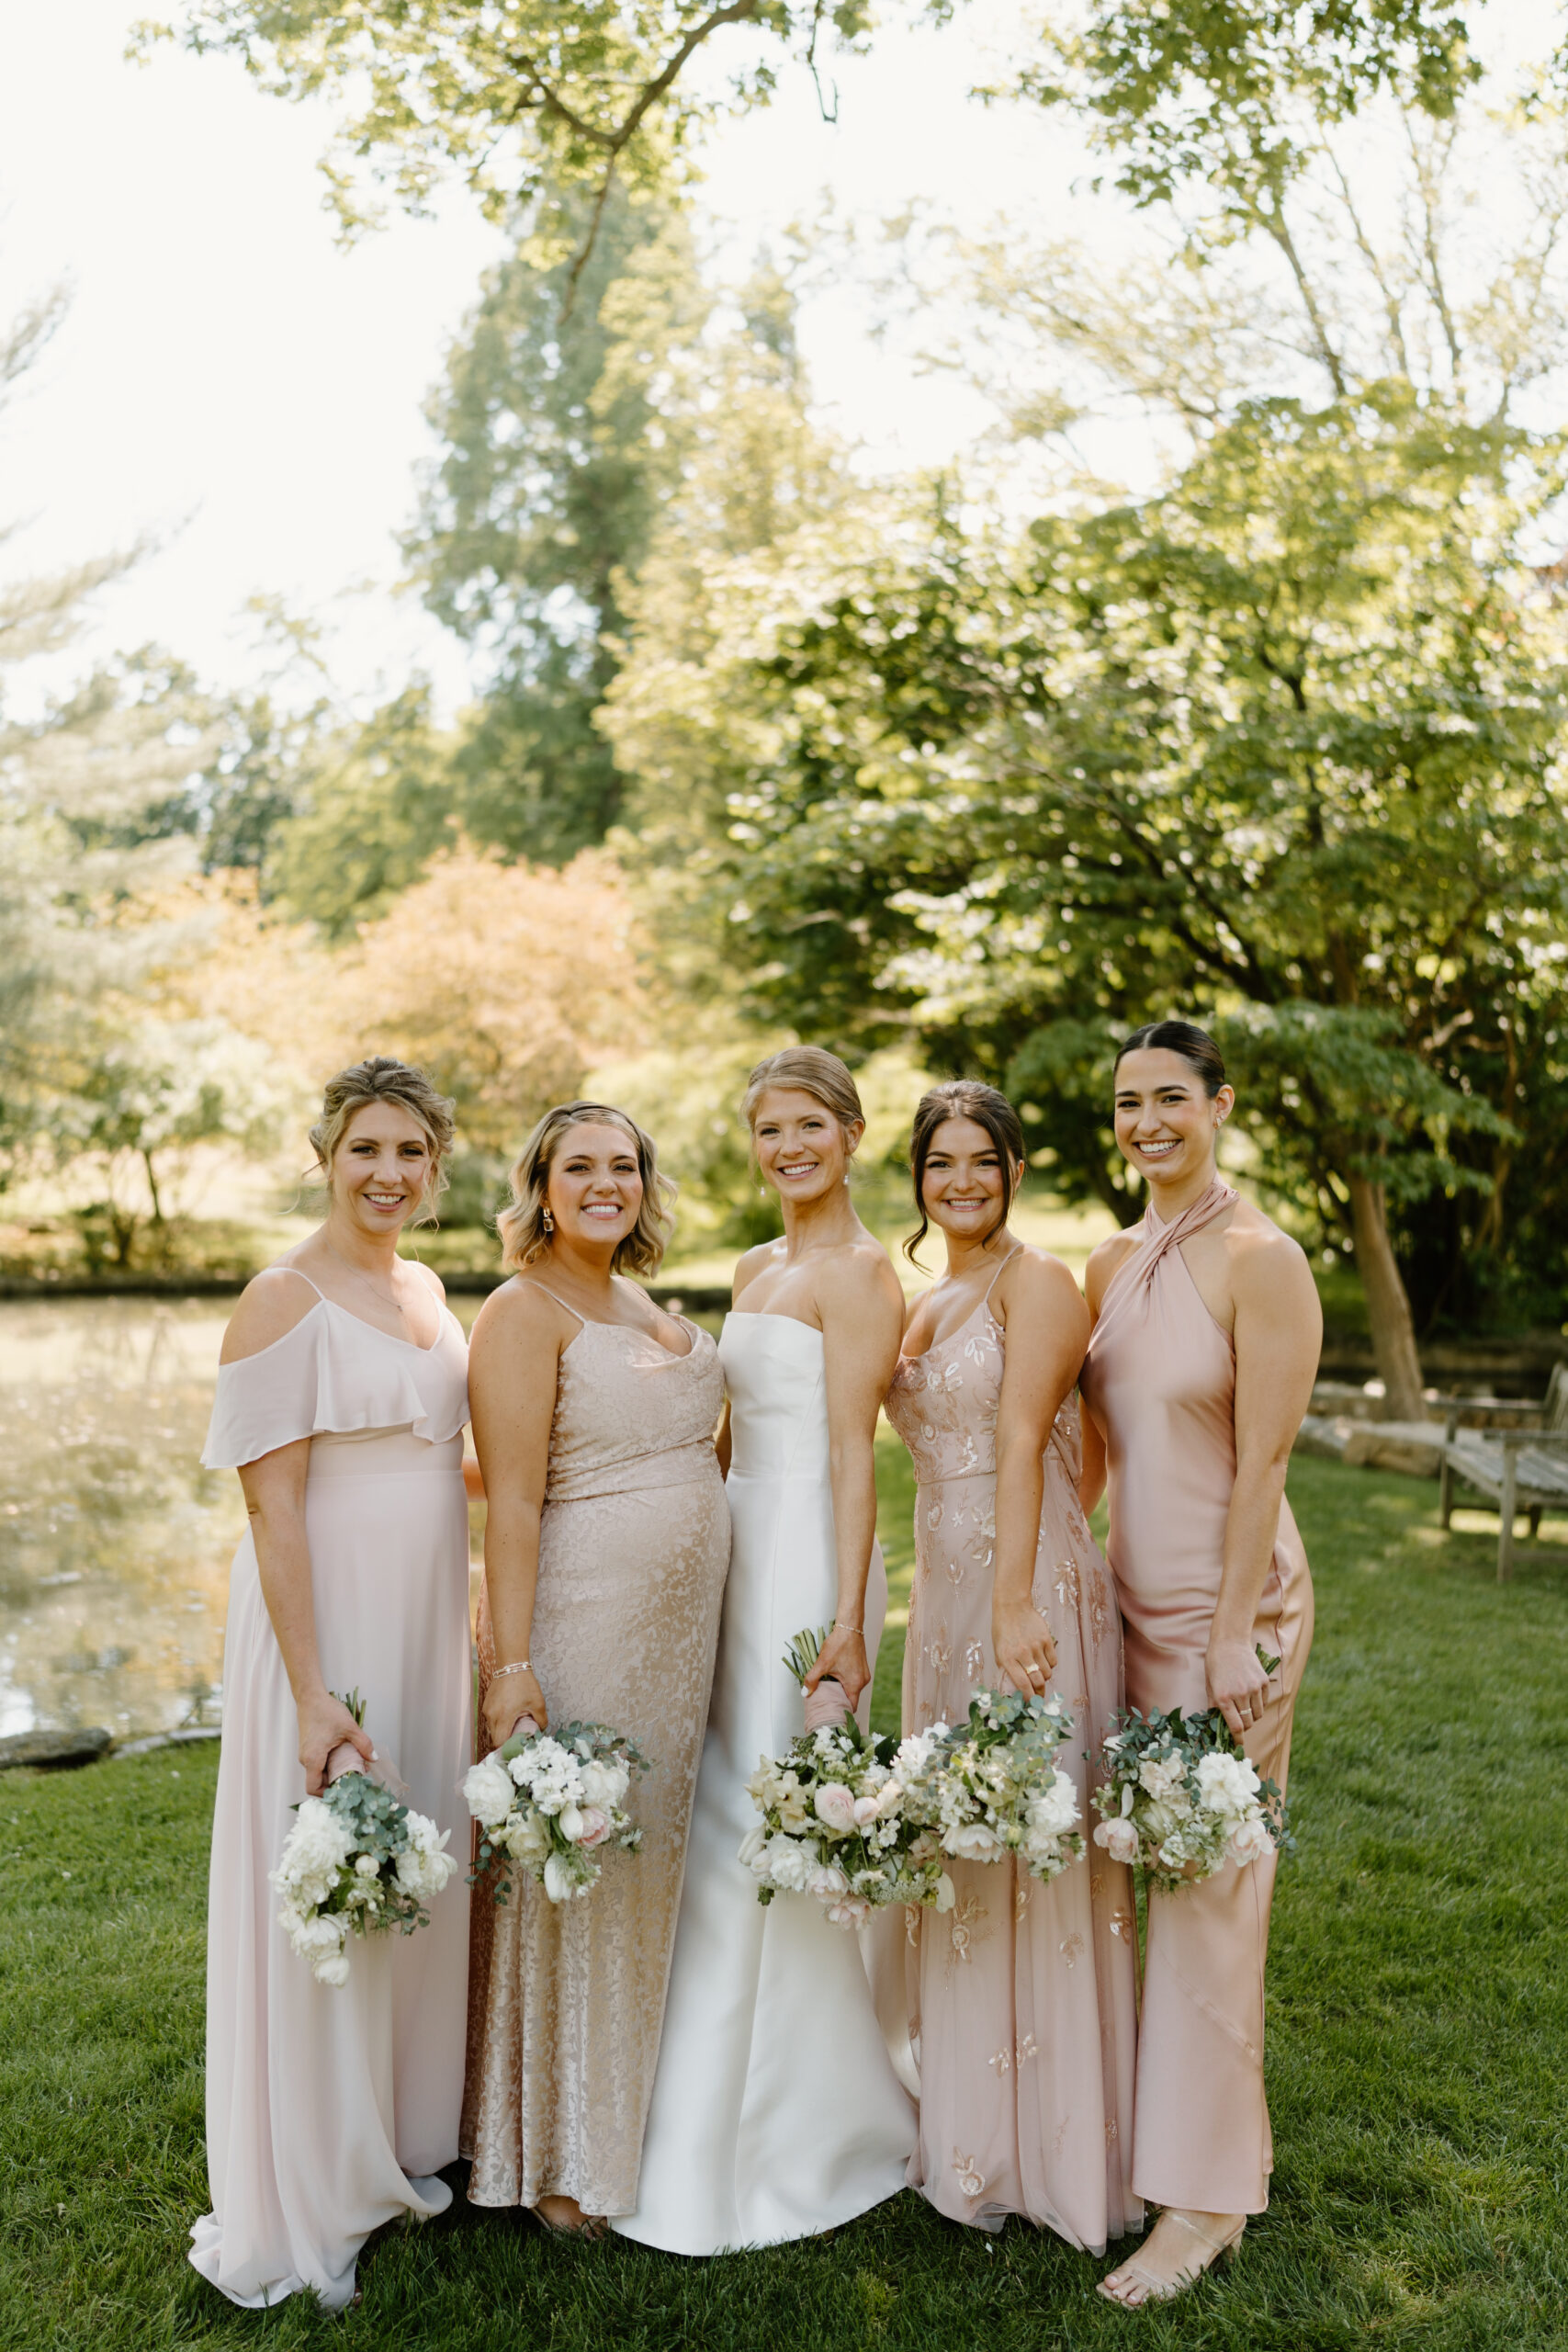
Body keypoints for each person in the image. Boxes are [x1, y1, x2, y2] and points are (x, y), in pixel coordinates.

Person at [615, 1047, 915, 2255]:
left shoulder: (858, 1273)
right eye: (766, 1129)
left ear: (849, 1134)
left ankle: (790, 2125)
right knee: (712, 1807)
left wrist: (845, 1617)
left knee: (769, 1809)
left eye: (807, 1125)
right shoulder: (751, 1265)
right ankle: (672, 2094)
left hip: (807, 1554)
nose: (786, 1147)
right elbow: (722, 1430)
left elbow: (854, 1455)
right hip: (733, 1542)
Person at [192, 1057, 472, 2311]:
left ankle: (406, 2133)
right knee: (334, 1858)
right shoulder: (279, 1298)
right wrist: (313, 1692)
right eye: (366, 1148)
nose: (388, 1173)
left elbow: (450, 1458)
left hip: (428, 1611)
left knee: (417, 1854)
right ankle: (313, 2169)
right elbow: (273, 1509)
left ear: (436, 1163)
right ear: (325, 1154)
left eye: (410, 1151)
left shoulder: (424, 1284)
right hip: (327, 1623)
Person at [1078, 1020, 1319, 2308]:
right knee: (1148, 1885)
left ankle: (1206, 2201)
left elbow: (1264, 1459)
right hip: (1123, 1609)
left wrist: (1233, 1630)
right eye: (1127, 1102)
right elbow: (1098, 1447)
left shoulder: (1258, 1259)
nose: (1146, 1121)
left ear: (1218, 1105)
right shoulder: (1110, 1259)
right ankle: (1149, 2143)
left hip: (1231, 1608)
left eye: (1170, 1097)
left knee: (1216, 1897)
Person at [461, 1102, 730, 2236]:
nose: (606, 1183)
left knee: (652, 1857)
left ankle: (629, 2119)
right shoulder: (523, 1312)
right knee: (586, 1859)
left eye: (624, 1166)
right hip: (586, 1624)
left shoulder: (639, 1302)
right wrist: (513, 1663)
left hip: (682, 1643)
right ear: (541, 1183)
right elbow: (511, 1499)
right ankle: (555, 2156)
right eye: (582, 1167)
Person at [884, 1080, 1139, 2247]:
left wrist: (1020, 1601)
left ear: (1016, 1168)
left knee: (1039, 1843)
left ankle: (1058, 2152)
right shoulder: (933, 1292)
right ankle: (970, 2134)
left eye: (982, 1161)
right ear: (920, 1178)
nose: (963, 1181)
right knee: (968, 1846)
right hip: (944, 1595)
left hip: (1018, 1592)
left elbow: (1031, 1439)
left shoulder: (1039, 1282)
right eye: (941, 1163)